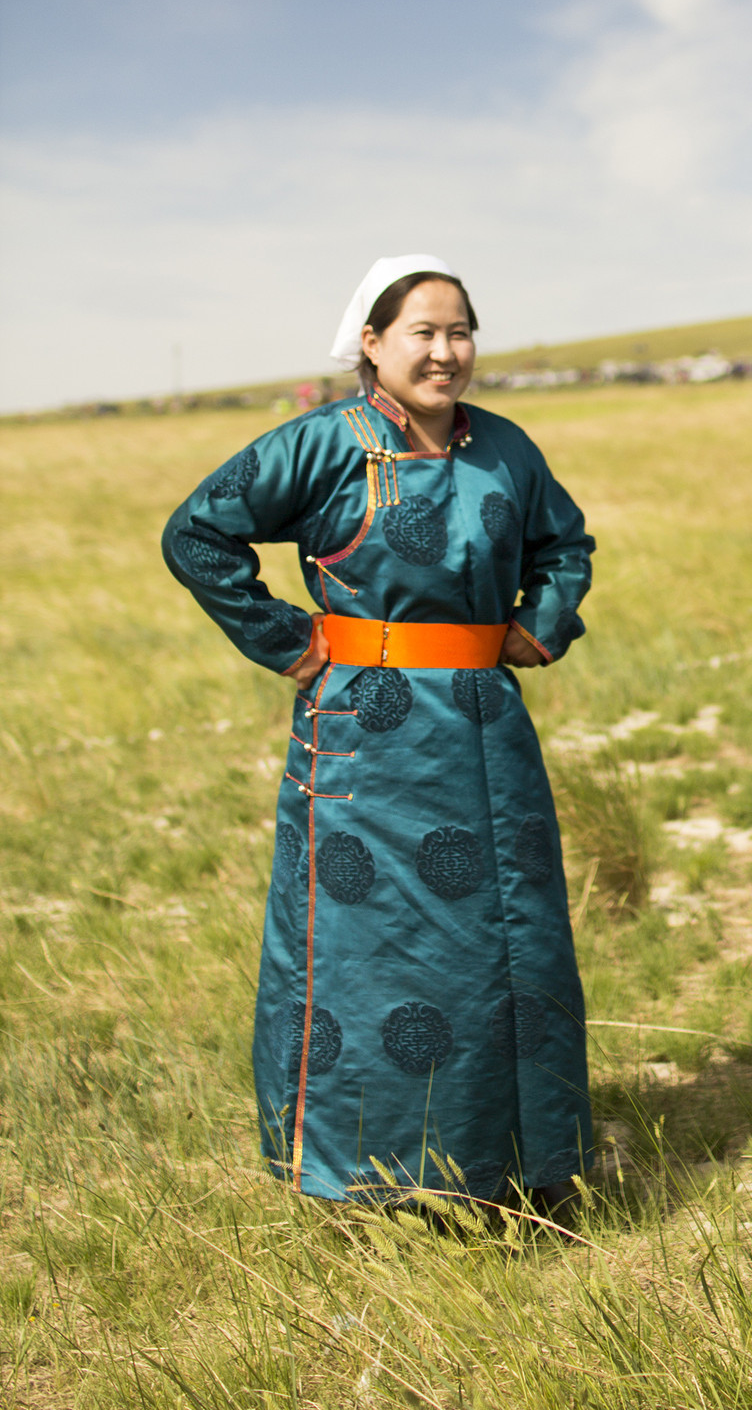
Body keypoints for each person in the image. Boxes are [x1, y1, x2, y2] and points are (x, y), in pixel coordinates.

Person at [162, 256, 595, 1208]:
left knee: (506, 942)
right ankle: (364, 1176)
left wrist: (539, 623)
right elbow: (195, 533)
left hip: (486, 729)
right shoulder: (323, 443)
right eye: (422, 334)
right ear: (372, 343)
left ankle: (518, 1169)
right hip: (365, 733)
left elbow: (565, 544)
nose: (445, 353)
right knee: (371, 951)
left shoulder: (508, 449)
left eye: (460, 332)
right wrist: (285, 636)